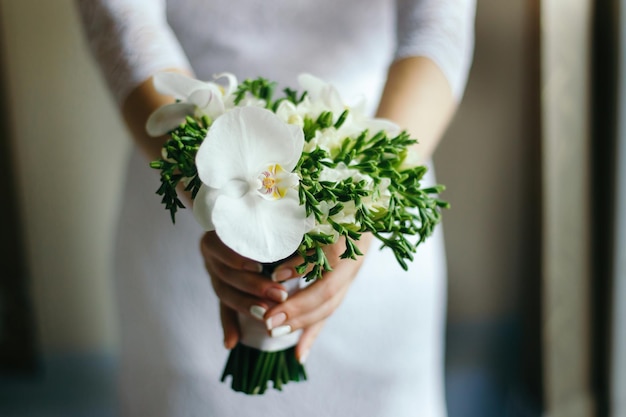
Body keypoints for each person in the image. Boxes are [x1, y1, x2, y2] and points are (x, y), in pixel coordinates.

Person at [75, 1, 475, 416]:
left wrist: (364, 207)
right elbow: (120, 26)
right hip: (191, 206)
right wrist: (222, 208)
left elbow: (438, 30)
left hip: (361, 184)